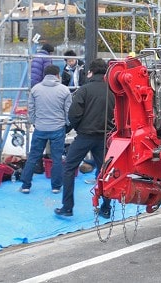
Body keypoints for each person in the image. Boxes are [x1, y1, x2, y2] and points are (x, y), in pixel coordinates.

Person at [55, 58, 114, 218]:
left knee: (69, 168)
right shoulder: (113, 91)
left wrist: (78, 128)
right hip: (105, 137)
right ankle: (106, 207)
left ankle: (67, 207)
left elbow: (73, 114)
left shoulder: (84, 90)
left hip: (85, 136)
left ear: (91, 71)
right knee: (106, 172)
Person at [20, 65, 72, 194]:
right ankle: (56, 186)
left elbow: (31, 109)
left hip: (40, 127)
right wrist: (66, 124)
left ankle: (26, 185)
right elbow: (68, 111)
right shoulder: (64, 90)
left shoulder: (35, 89)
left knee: (33, 157)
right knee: (57, 158)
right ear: (57, 75)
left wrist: (34, 122)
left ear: (44, 75)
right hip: (58, 128)